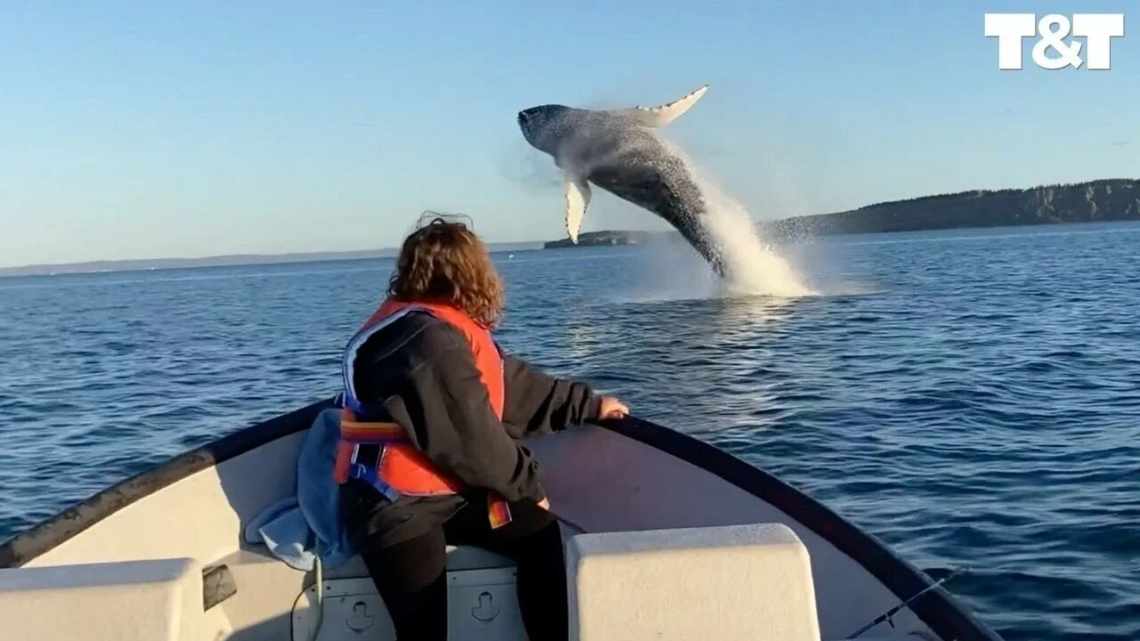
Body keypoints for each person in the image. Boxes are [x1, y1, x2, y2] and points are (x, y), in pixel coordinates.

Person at [336, 215, 629, 640]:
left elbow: (513, 386)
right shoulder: (424, 342)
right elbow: (470, 440)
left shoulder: (444, 328)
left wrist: (590, 404)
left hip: (452, 497)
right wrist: (529, 488)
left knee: (536, 532)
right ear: (471, 272)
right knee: (423, 628)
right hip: (394, 507)